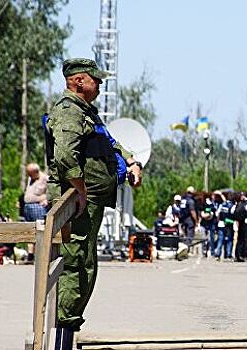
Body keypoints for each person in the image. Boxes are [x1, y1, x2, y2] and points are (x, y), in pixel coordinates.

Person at [45, 58, 143, 348]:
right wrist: (80, 190)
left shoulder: (88, 113)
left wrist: (131, 160)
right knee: (75, 263)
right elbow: (65, 157)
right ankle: (63, 331)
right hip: (75, 201)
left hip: (91, 201)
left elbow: (109, 142)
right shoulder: (68, 112)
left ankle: (70, 326)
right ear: (77, 82)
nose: (99, 84)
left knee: (86, 263)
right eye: (95, 79)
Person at [24, 163, 49, 262]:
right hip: (27, 207)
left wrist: (46, 200)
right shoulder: (30, 179)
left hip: (38, 207)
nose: (29, 176)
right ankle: (30, 255)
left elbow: (51, 192)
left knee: (39, 230)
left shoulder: (45, 178)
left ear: (36, 171)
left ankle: (41, 255)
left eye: (30, 173)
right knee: (29, 231)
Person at [213, 191, 234, 260]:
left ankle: (217, 254)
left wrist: (219, 221)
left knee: (220, 239)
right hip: (229, 224)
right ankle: (228, 255)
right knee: (229, 240)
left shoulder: (222, 204)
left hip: (221, 224)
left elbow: (217, 214)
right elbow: (234, 215)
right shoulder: (232, 206)